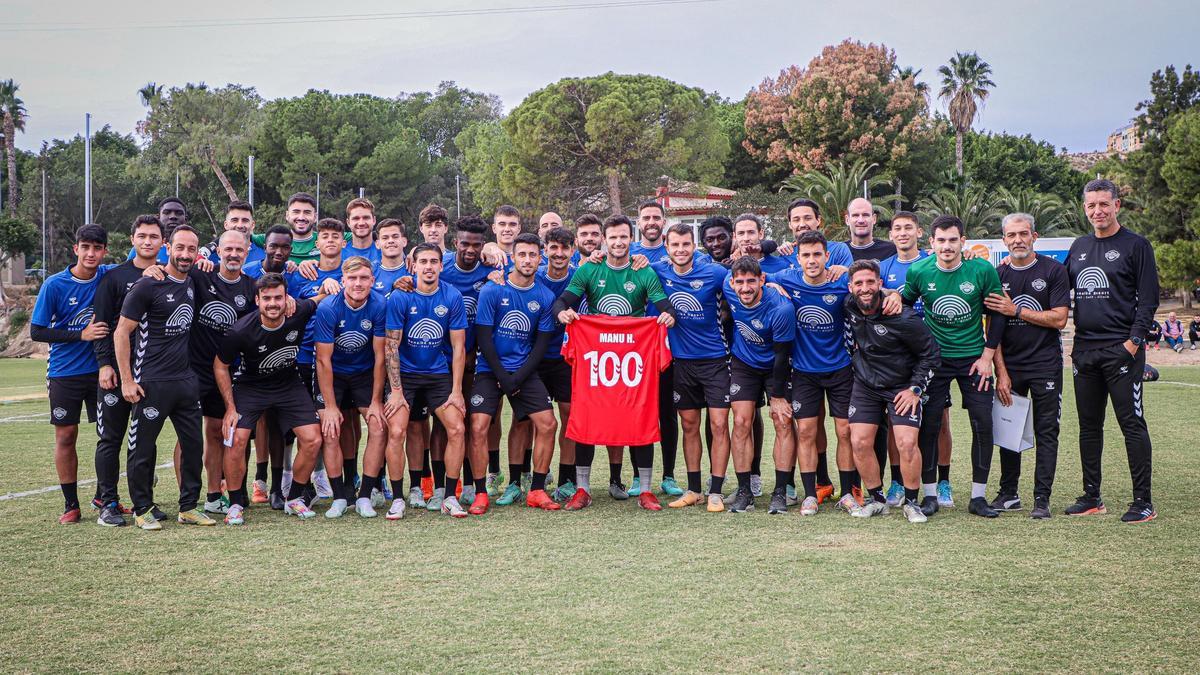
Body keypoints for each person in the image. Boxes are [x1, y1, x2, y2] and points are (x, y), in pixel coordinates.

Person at [552, 214, 677, 511]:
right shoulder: (590, 269)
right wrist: (563, 314)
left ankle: (645, 490)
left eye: (624, 237)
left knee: (640, 416)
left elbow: (665, 306)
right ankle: (582, 489)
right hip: (596, 356)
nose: (619, 242)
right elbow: (561, 302)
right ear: (604, 241)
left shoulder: (643, 273)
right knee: (586, 416)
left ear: (630, 240)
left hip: (634, 358)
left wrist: (669, 315)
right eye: (613, 238)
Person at [885, 214, 1005, 518]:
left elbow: (999, 315)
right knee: (930, 425)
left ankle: (978, 497)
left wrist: (987, 356)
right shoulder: (919, 271)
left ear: (963, 242)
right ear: (932, 243)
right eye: (941, 240)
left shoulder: (981, 270)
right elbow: (906, 304)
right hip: (935, 363)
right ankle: (929, 495)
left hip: (974, 361)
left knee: (983, 423)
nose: (947, 246)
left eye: (953, 240)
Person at [1065, 178, 1159, 523]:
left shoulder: (1136, 246)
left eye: (1104, 204)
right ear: (1084, 208)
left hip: (1122, 351)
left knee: (1131, 424)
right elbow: (1061, 293)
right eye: (1091, 205)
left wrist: (1132, 344)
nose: (1097, 211)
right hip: (1084, 353)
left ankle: (1143, 501)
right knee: (1089, 427)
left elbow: (1149, 300)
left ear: (1116, 205)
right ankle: (1092, 497)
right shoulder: (1078, 247)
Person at [112, 225, 213, 529]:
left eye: (191, 250)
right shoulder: (146, 286)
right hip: (150, 382)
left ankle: (189, 507)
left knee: (194, 446)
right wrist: (127, 380)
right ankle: (142, 508)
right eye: (180, 248)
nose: (185, 255)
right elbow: (121, 333)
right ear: (168, 247)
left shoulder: (194, 279)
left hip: (185, 382)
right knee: (142, 448)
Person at [214, 273, 336, 524]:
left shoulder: (298, 311)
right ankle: (236, 503)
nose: (273, 303)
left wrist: (327, 284)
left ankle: (294, 498)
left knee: (313, 439)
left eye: (278, 298)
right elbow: (220, 366)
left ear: (287, 299)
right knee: (236, 438)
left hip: (288, 384)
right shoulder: (240, 330)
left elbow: (320, 297)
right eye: (267, 298)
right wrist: (230, 407)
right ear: (257, 300)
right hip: (251, 386)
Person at [985, 213, 1070, 520]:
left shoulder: (1054, 271)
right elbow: (993, 332)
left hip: (1046, 365)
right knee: (1008, 432)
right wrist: (1001, 374)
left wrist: (1015, 309)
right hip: (1010, 367)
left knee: (1047, 431)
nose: (1017, 240)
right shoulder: (996, 276)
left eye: (1023, 234)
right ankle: (1009, 494)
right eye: (1011, 235)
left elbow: (1059, 318)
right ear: (1003, 239)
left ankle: (1041, 498)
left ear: (1035, 236)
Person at [767, 231, 858, 516]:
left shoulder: (841, 282)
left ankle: (846, 493)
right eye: (806, 255)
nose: (812, 260)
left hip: (841, 369)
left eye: (817, 254)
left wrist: (850, 271)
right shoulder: (787, 279)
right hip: (804, 371)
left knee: (845, 431)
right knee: (806, 431)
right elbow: (756, 277)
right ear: (798, 258)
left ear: (827, 256)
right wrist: (771, 285)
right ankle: (809, 495)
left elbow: (871, 285)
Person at [843, 259, 940, 523]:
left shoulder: (904, 317)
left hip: (902, 386)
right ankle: (877, 500)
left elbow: (931, 355)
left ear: (880, 284)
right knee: (859, 441)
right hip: (866, 386)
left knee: (906, 443)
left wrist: (915, 389)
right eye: (859, 283)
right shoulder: (850, 305)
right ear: (851, 287)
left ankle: (911, 502)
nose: (865, 288)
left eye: (870, 282)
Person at [469, 233, 561, 511]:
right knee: (478, 427)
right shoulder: (492, 290)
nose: (528, 260)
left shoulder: (545, 296)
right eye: (522, 254)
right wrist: (502, 377)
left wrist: (517, 378)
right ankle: (481, 493)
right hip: (489, 369)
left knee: (548, 424)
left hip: (523, 371)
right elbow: (484, 339)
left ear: (540, 258)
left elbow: (541, 345)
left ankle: (535, 490)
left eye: (533, 255)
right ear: (513, 257)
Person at [31, 224, 113, 524]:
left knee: (109, 435)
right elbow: (37, 331)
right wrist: (81, 335)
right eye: (85, 247)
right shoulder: (54, 285)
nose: (91, 253)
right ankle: (71, 504)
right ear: (75, 249)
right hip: (65, 373)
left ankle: (106, 497)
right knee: (67, 435)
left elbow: (138, 264)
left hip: (103, 371)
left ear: (104, 251)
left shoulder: (108, 275)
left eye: (97, 248)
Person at [381, 243, 471, 518]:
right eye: (424, 262)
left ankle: (450, 496)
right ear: (414, 266)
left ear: (441, 266)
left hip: (437, 375)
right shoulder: (400, 297)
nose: (429, 266)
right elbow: (391, 346)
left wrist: (457, 391)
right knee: (397, 431)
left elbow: (458, 348)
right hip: (405, 375)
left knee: (456, 429)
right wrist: (395, 391)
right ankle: (399, 497)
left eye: (434, 261)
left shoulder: (452, 296)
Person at [651, 224, 733, 512]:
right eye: (675, 245)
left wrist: (770, 282)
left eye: (686, 244)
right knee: (689, 425)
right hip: (681, 363)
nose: (680, 250)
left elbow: (747, 281)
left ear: (694, 245)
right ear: (667, 246)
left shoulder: (714, 272)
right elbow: (625, 269)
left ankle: (717, 491)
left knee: (719, 425)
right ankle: (694, 489)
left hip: (716, 361)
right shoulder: (658, 271)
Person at [92, 216, 165, 526]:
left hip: (150, 374)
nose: (148, 241)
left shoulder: (168, 276)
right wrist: (105, 364)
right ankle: (107, 502)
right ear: (132, 239)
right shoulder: (114, 278)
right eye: (142, 236)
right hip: (118, 372)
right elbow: (101, 325)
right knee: (111, 437)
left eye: (154, 236)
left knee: (145, 439)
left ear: (163, 242)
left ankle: (143, 502)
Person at [181, 230, 258, 516]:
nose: (234, 254)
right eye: (228, 249)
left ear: (247, 252)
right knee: (186, 433)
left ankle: (214, 494)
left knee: (217, 432)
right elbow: (175, 266)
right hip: (192, 369)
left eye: (239, 250)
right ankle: (185, 497)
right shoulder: (201, 276)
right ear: (219, 251)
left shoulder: (252, 288)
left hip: (227, 372)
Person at [313, 256, 388, 518]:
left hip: (364, 373)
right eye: (353, 278)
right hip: (333, 374)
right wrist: (331, 406)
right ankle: (340, 497)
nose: (358, 284)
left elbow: (381, 357)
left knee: (378, 426)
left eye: (364, 278)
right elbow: (323, 360)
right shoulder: (328, 308)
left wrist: (377, 400)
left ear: (372, 280)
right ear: (343, 280)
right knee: (331, 429)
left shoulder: (379, 304)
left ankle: (365, 494)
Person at [722, 257, 795, 514]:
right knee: (741, 421)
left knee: (782, 420)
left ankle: (780, 491)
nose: (745, 288)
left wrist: (777, 395)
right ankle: (745, 491)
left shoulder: (781, 307)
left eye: (751, 281)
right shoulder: (728, 287)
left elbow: (782, 355)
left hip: (776, 364)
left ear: (762, 280)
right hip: (744, 363)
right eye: (739, 282)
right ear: (732, 282)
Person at [877, 211, 932, 505]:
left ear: (919, 232)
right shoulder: (884, 267)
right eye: (897, 228)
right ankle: (898, 482)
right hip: (895, 357)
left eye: (908, 228)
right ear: (890, 235)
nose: (902, 233)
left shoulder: (932, 261)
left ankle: (940, 482)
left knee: (939, 421)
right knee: (895, 421)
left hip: (930, 352)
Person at [535, 227, 581, 502]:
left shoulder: (581, 275)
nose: (559, 253)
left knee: (568, 416)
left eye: (565, 248)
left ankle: (567, 478)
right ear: (545, 250)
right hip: (535, 358)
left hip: (567, 359)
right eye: (554, 247)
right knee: (528, 420)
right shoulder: (533, 275)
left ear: (572, 250)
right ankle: (525, 477)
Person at [202, 200, 265, 266]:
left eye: (245, 220)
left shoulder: (265, 255)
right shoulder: (209, 258)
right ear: (226, 225)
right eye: (234, 220)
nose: (239, 225)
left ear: (252, 225)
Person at [126, 197, 187, 262]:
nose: (173, 216)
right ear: (158, 217)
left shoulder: (194, 251)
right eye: (167, 212)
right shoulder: (140, 250)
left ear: (186, 219)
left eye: (179, 213)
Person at [844, 197, 897, 262]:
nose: (861, 220)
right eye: (855, 215)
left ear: (874, 219)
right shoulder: (838, 252)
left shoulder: (891, 251)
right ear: (847, 220)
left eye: (865, 215)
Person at [372, 218, 409, 296]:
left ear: (404, 241)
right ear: (377, 244)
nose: (390, 241)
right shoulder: (370, 272)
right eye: (385, 238)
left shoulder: (415, 269)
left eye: (395, 237)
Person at [344, 198, 383, 265]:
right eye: (356, 218)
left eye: (366, 218)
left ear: (374, 220)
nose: (361, 223)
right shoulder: (339, 254)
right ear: (348, 223)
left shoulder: (385, 251)